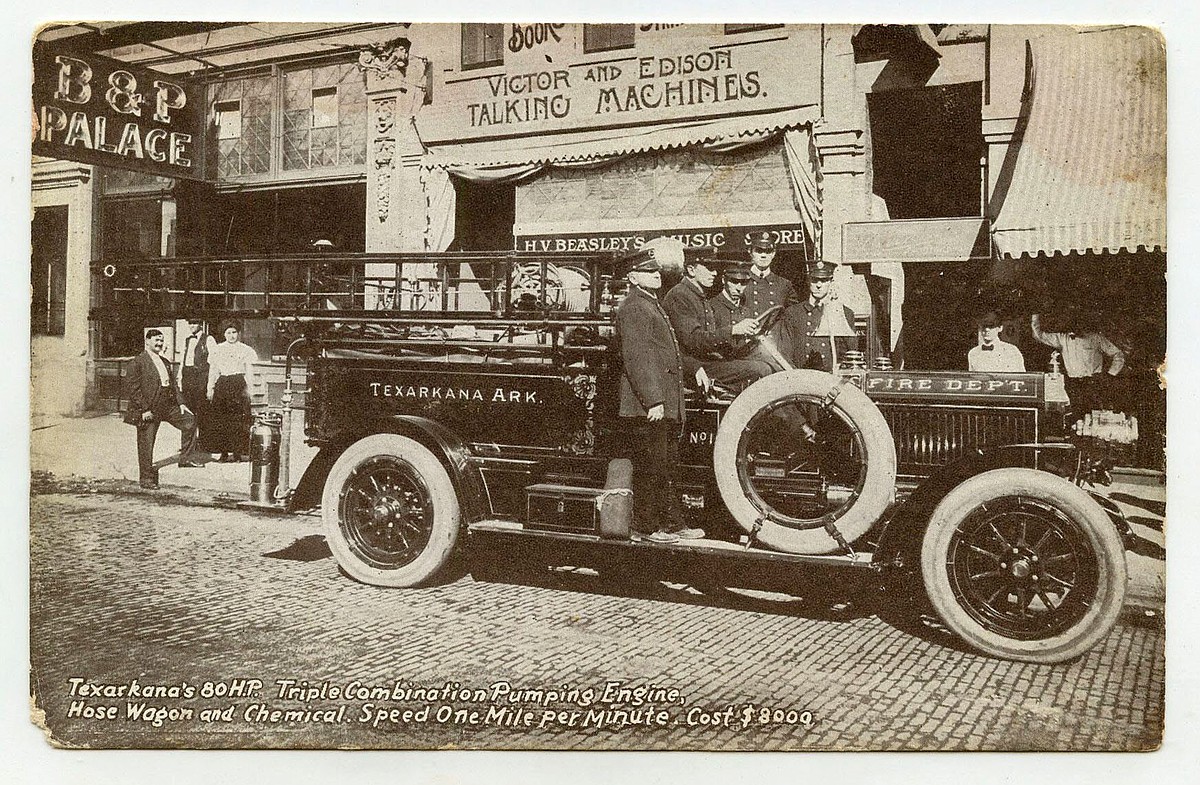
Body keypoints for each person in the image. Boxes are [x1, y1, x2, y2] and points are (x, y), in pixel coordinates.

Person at [615, 249, 704, 544]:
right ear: (632, 277)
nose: (656, 274)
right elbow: (638, 357)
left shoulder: (650, 304)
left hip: (663, 405)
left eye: (656, 271)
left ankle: (672, 523)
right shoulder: (635, 307)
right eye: (648, 271)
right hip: (650, 407)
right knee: (651, 467)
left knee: (665, 466)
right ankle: (645, 527)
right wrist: (653, 400)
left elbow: (669, 353)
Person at [662, 249, 773, 387]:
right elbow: (693, 340)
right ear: (691, 270)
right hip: (692, 365)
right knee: (762, 369)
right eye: (709, 268)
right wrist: (733, 330)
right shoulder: (680, 296)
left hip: (706, 361)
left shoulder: (698, 295)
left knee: (767, 362)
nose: (714, 272)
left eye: (714, 268)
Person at [123, 329, 202, 489]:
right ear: (147, 341)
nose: (159, 344)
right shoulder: (138, 362)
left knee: (189, 421)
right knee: (146, 443)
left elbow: (173, 385)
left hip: (168, 405)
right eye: (156, 340)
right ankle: (146, 478)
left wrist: (181, 403)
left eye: (161, 340)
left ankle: (185, 458)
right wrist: (144, 409)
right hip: (149, 408)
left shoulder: (164, 361)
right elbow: (133, 389)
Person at [1031, 310, 1126, 413]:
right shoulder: (1063, 338)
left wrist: (1111, 374)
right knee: (1074, 416)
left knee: (1094, 415)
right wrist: (1035, 316)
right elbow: (1038, 336)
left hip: (1093, 383)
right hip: (1073, 385)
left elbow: (1118, 354)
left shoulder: (1096, 338)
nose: (1078, 326)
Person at [779, 260, 859, 372]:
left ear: (831, 282)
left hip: (831, 378)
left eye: (824, 280)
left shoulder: (844, 313)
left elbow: (850, 352)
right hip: (801, 377)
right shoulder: (793, 313)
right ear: (808, 281)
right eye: (815, 280)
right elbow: (785, 353)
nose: (819, 285)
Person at [207, 322, 259, 462]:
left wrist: (250, 391)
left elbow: (249, 372)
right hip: (223, 384)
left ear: (239, 333)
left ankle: (237, 453)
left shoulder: (245, 350)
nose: (231, 336)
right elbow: (213, 371)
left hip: (238, 384)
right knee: (222, 419)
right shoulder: (217, 349)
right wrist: (210, 388)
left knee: (238, 420)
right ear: (224, 334)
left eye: (234, 332)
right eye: (228, 332)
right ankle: (223, 453)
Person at [178, 318, 217, 453]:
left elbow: (213, 363)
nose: (192, 326)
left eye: (194, 323)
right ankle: (188, 446)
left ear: (201, 324)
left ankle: (204, 445)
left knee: (202, 413)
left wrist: (210, 385)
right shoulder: (188, 340)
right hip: (188, 379)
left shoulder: (209, 339)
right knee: (188, 414)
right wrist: (180, 378)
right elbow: (183, 361)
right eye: (190, 323)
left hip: (201, 379)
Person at [742, 231, 800, 318]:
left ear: (773, 254)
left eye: (768, 251)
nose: (763, 255)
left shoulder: (784, 284)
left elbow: (793, 316)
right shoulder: (740, 281)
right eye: (759, 251)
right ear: (750, 252)